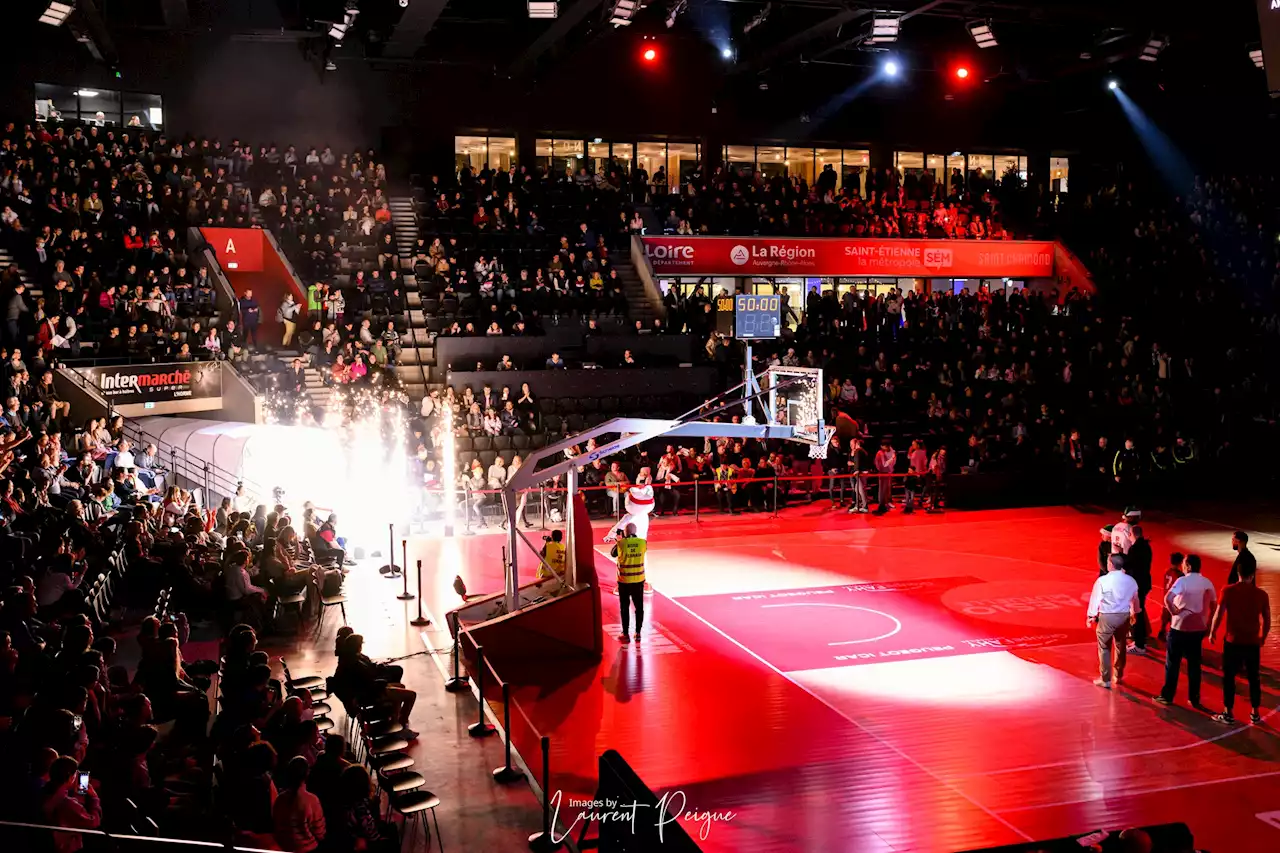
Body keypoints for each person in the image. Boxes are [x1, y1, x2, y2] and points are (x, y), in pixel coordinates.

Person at [1210, 559, 1270, 725]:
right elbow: (1267, 620)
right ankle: (1255, 713)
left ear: (1238, 573)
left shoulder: (1228, 591)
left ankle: (1228, 712)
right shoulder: (1261, 595)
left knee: (1229, 677)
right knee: (1254, 677)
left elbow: (1219, 613)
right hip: (1252, 642)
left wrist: (1212, 631)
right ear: (1253, 575)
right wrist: (1262, 637)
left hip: (1232, 640)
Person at [1156, 554, 1217, 709]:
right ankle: (1194, 697)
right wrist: (1209, 624)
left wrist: (1174, 611)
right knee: (1194, 664)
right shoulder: (1206, 582)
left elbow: (1168, 598)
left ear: (1188, 566)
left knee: (1173, 663)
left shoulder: (1182, 581)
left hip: (1179, 627)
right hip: (1197, 628)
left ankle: (1167, 696)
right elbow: (1214, 605)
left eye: (1184, 564)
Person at [1086, 551, 1140, 689]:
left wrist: (1091, 615)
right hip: (1123, 616)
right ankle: (1118, 674)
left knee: (1104, 647)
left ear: (1111, 564)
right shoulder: (1131, 581)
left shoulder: (1102, 580)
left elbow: (1095, 599)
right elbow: (1135, 600)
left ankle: (1106, 678)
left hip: (1107, 616)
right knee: (1120, 645)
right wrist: (1135, 612)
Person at [272, 756, 326, 853]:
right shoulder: (312, 800)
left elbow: (276, 826)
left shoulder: (280, 799)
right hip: (308, 848)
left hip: (283, 848)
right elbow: (320, 832)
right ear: (307, 773)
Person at [610, 522, 646, 644]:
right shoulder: (643, 543)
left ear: (625, 532)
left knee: (624, 607)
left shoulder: (621, 544)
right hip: (638, 580)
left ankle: (625, 633)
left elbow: (613, 553)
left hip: (624, 581)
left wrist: (619, 540)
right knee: (639, 607)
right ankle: (638, 633)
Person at [1125, 525, 1154, 655]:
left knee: (1137, 613)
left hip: (1137, 585)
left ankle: (1139, 645)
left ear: (1132, 534)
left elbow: (1129, 565)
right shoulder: (1146, 547)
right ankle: (1140, 641)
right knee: (1139, 612)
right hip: (1144, 583)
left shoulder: (1135, 548)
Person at [1157, 551, 1185, 644]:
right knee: (1175, 620)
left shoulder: (1167, 571)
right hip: (1175, 601)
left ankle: (1162, 632)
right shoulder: (1180, 575)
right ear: (1181, 562)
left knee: (1165, 618)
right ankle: (1173, 638)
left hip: (1166, 599)